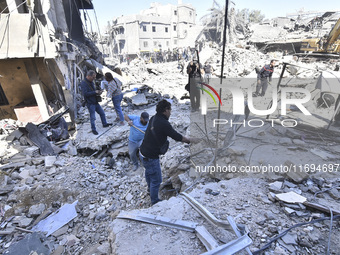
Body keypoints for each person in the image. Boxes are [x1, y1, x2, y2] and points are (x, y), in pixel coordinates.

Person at [139, 100, 191, 205]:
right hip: (150, 156)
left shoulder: (154, 118)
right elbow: (176, 136)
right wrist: (191, 140)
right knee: (157, 180)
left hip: (142, 152)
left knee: (149, 173)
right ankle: (154, 201)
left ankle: (150, 190)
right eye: (170, 110)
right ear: (165, 110)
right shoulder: (164, 123)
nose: (170, 113)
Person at [80, 70, 112, 135]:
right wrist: (95, 92)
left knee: (102, 113)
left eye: (95, 77)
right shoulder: (83, 83)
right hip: (90, 103)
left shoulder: (91, 81)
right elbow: (85, 94)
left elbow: (93, 90)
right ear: (88, 76)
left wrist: (98, 92)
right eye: (93, 77)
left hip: (95, 101)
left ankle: (104, 124)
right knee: (93, 117)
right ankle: (93, 129)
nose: (94, 79)